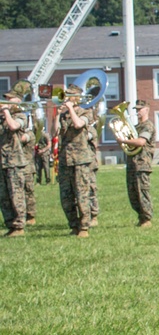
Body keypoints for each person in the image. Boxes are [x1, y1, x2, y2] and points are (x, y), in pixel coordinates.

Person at [56, 88, 93, 237]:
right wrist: (57, 115)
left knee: (82, 194)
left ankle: (84, 227)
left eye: (70, 95)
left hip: (80, 159)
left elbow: (78, 125)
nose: (67, 98)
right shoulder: (64, 116)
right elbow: (55, 131)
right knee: (66, 196)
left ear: (77, 97)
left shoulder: (86, 113)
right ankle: (73, 225)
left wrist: (71, 108)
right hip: (65, 159)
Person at [122, 101, 155, 226]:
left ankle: (147, 218)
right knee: (133, 192)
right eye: (136, 109)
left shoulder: (148, 126)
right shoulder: (136, 127)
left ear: (147, 110)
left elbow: (141, 142)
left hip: (142, 163)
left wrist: (124, 140)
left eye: (140, 109)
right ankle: (141, 217)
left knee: (142, 191)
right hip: (132, 162)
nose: (137, 111)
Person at [0, 90, 29, 237]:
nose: (6, 101)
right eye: (5, 99)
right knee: (4, 196)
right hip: (2, 162)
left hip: (14, 161)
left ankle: (19, 226)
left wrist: (6, 112)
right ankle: (10, 224)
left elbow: (13, 127)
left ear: (17, 101)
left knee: (16, 194)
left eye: (10, 99)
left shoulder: (21, 116)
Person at [20, 125, 36, 226]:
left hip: (27, 167)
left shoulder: (29, 134)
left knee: (28, 193)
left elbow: (22, 139)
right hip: (17, 167)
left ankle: (31, 215)